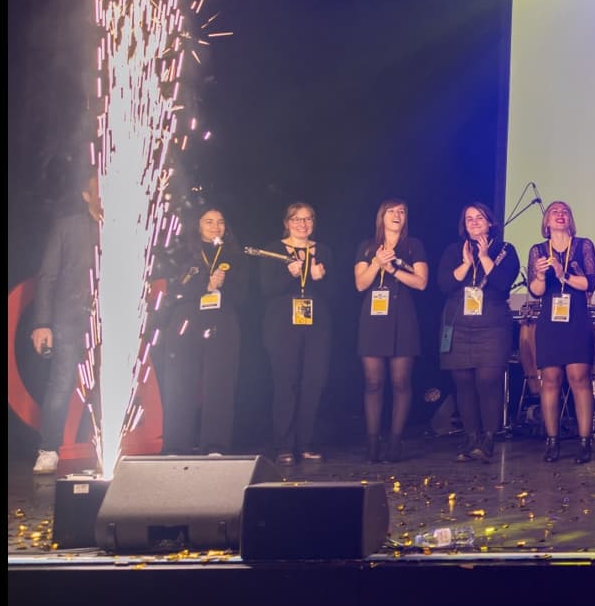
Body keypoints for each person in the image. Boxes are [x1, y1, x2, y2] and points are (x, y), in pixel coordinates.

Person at [28, 176, 102, 474]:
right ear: (86, 195)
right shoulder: (67, 227)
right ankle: (48, 449)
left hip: (108, 319)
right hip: (69, 318)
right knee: (61, 382)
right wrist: (42, 323)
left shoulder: (123, 228)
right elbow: (48, 276)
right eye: (98, 190)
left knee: (107, 385)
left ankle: (105, 449)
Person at [438, 202, 520, 463]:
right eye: (469, 218)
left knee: (487, 380)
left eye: (479, 218)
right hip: (459, 322)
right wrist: (465, 264)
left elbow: (503, 284)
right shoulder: (454, 250)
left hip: (492, 324)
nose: (474, 222)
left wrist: (484, 257)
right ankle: (471, 438)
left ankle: (488, 439)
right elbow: (444, 284)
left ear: (490, 223)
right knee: (463, 382)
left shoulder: (504, 250)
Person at [161, 207, 242, 456]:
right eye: (209, 221)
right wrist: (205, 285)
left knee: (219, 384)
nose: (215, 226)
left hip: (222, 322)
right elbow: (174, 289)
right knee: (180, 383)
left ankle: (215, 445)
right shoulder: (183, 252)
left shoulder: (234, 254)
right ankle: (176, 445)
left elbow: (244, 294)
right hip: (186, 321)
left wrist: (224, 285)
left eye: (220, 221)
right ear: (197, 225)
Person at [258, 202, 335, 466]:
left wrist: (318, 278)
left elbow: (335, 294)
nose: (302, 224)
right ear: (286, 223)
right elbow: (266, 290)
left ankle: (306, 444)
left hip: (317, 326)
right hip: (281, 327)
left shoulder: (323, 251)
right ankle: (284, 446)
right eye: (296, 219)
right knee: (285, 383)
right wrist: (289, 275)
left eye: (307, 219)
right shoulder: (273, 251)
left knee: (314, 382)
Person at [354, 198, 430, 463]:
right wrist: (377, 263)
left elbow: (421, 282)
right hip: (373, 320)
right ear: (381, 217)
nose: (397, 215)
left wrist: (393, 269)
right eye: (391, 211)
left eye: (402, 212)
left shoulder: (413, 246)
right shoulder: (367, 247)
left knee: (400, 382)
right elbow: (360, 284)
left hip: (403, 317)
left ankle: (396, 441)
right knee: (373, 382)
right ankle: (372, 441)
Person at [523, 200, 595, 464]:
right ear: (546, 221)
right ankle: (552, 441)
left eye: (565, 211)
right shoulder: (537, 250)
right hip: (550, 322)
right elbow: (536, 291)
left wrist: (562, 273)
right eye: (554, 211)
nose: (560, 214)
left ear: (571, 220)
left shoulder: (583, 246)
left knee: (579, 377)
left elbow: (590, 282)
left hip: (576, 318)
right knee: (550, 379)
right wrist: (541, 277)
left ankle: (585, 442)